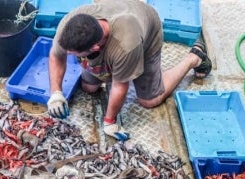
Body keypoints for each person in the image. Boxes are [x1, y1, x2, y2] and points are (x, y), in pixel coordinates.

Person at [47, 0, 211, 141]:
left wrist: (110, 121)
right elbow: (56, 55)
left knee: (150, 101)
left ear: (94, 47)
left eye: (73, 54)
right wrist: (56, 93)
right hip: (119, 9)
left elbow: (120, 86)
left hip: (146, 30)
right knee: (89, 88)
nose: (67, 54)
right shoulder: (69, 25)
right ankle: (114, 67)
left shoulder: (125, 45)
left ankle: (194, 58)